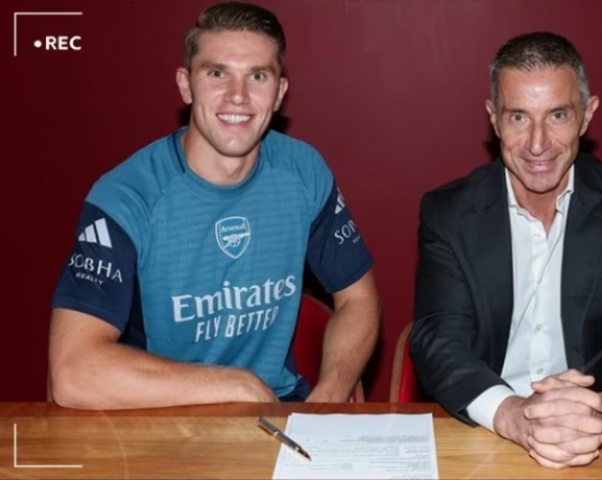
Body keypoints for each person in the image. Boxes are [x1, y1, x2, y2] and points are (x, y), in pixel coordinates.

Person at [49, 1, 380, 409]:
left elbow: (358, 300)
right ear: (186, 85)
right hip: (157, 417)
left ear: (279, 92)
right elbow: (72, 372)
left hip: (276, 408)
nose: (237, 96)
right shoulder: (126, 196)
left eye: (257, 76)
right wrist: (235, 386)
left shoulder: (304, 171)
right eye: (217, 73)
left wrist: (326, 399)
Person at [410, 32, 602, 468]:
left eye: (558, 115)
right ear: (493, 118)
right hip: (487, 437)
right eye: (518, 117)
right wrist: (513, 415)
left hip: (601, 445)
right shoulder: (447, 213)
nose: (537, 143)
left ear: (587, 115)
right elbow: (438, 344)